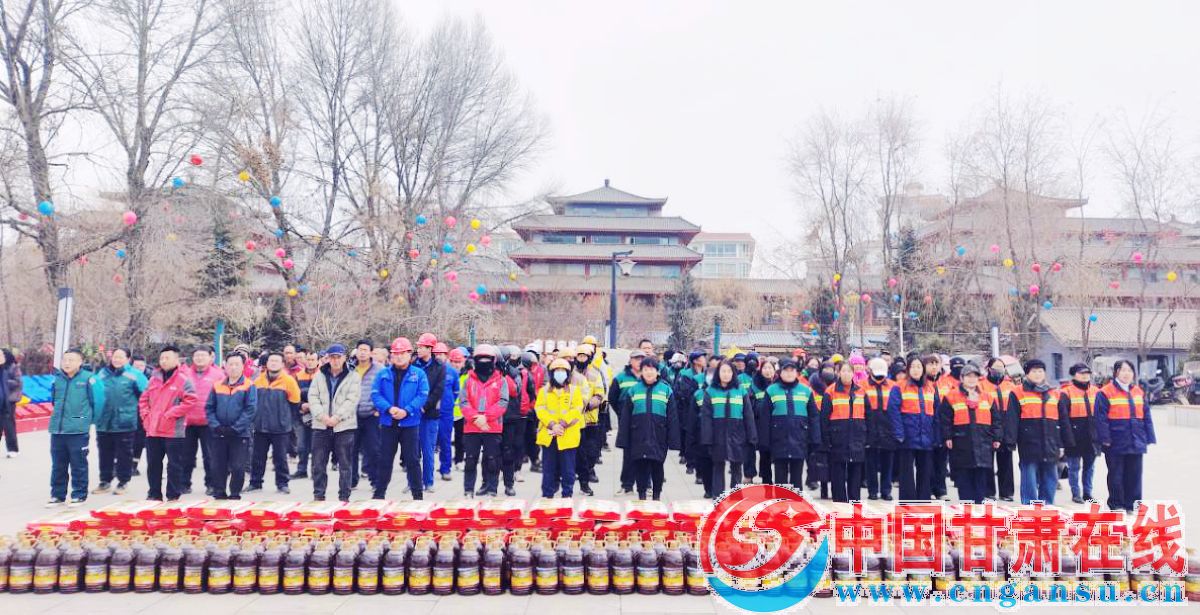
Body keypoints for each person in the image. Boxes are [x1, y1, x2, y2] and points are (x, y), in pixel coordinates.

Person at [1006, 359, 1072, 505]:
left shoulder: (1055, 393)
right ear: (1027, 374)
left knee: (1050, 477)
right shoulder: (1018, 392)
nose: (1037, 374)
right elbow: (1012, 418)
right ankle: (1030, 506)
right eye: (1034, 371)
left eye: (1040, 371)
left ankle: (1046, 505)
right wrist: (1010, 440)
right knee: (1029, 478)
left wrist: (1065, 442)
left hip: (1051, 442)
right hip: (1029, 442)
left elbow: (1063, 420)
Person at [371, 337, 429, 500]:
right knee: (385, 459)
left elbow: (422, 395)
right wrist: (388, 408)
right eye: (396, 353)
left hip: (410, 424)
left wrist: (407, 410)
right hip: (388, 423)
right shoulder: (383, 374)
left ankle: (418, 496)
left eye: (403, 353)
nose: (399, 356)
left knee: (412, 460)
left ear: (410, 354)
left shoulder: (418, 374)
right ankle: (379, 494)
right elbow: (375, 394)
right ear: (391, 355)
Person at [1095, 360, 1156, 513]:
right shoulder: (1105, 392)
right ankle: (1116, 504)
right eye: (1123, 370)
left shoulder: (1138, 391)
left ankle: (1132, 504)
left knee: (1134, 475)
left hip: (1136, 440)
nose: (1126, 374)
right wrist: (1105, 438)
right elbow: (1100, 418)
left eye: (1129, 370)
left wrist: (1149, 436)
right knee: (1116, 475)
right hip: (1115, 441)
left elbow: (1146, 415)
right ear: (1116, 373)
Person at [139, 345, 197, 502]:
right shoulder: (154, 379)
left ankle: (173, 495)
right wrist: (146, 416)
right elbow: (144, 399)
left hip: (173, 430)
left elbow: (191, 400)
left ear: (176, 360)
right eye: (162, 358)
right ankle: (154, 494)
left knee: (174, 465)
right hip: (153, 429)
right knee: (153, 464)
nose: (164, 361)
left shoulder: (183, 379)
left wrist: (171, 413)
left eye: (167, 358)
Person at [617, 356, 680, 500]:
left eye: (652, 369)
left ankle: (656, 496)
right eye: (645, 369)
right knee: (641, 467)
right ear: (641, 372)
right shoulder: (633, 390)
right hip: (638, 435)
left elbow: (673, 418)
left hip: (659, 436)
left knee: (657, 466)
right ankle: (642, 496)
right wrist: (623, 439)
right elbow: (626, 417)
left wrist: (674, 440)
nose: (649, 372)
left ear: (657, 371)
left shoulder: (666, 390)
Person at [48, 349, 105, 506]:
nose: (67, 363)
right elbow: (54, 401)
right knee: (58, 465)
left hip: (78, 430)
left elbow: (99, 402)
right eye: (65, 360)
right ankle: (57, 495)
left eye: (71, 360)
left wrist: (86, 421)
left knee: (78, 464)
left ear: (80, 362)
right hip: (57, 429)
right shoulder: (57, 379)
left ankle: (79, 495)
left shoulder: (89, 379)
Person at [939, 363, 1001, 504]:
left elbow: (996, 419)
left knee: (981, 478)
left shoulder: (987, 397)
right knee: (964, 478)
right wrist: (947, 436)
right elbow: (945, 419)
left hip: (983, 442)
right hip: (961, 442)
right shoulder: (951, 396)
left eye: (975, 376)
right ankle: (966, 509)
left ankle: (978, 507)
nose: (972, 379)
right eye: (968, 376)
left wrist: (997, 437)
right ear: (962, 378)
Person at [308, 344, 361, 502]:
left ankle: (344, 497)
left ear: (344, 358)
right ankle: (319, 496)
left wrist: (337, 417)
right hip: (321, 425)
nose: (336, 360)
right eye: (332, 357)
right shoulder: (319, 375)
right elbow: (313, 397)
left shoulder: (353, 376)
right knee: (318, 464)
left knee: (345, 464)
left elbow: (352, 400)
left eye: (339, 357)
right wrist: (322, 416)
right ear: (327, 358)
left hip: (344, 426)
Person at [758, 358, 820, 491]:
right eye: (786, 370)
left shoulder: (806, 391)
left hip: (799, 440)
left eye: (792, 370)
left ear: (797, 372)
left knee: (797, 478)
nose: (789, 373)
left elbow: (814, 417)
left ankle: (796, 502)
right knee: (780, 478)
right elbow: (764, 418)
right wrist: (764, 442)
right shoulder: (771, 390)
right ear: (780, 372)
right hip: (778, 441)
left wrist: (815, 439)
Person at [698, 359, 757, 498]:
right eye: (723, 371)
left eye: (729, 371)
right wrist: (707, 439)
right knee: (718, 466)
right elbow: (706, 418)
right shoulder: (710, 391)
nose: (726, 374)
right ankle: (718, 497)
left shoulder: (741, 391)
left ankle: (735, 497)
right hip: (717, 435)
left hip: (737, 435)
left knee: (736, 466)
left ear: (733, 373)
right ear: (718, 373)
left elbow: (748, 415)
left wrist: (752, 436)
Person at [92, 348, 147, 496]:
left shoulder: (135, 375)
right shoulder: (102, 374)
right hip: (104, 422)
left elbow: (146, 396)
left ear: (128, 359)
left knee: (124, 454)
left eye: (121, 357)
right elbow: (95, 393)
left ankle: (123, 482)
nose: (117, 360)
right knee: (105, 453)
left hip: (125, 422)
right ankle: (105, 481)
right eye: (115, 356)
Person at [459, 345, 510, 497]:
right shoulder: (468, 380)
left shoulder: (501, 380)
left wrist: (486, 417)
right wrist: (475, 417)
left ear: (493, 361)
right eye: (480, 359)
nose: (484, 362)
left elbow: (503, 402)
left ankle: (492, 488)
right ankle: (468, 490)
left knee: (492, 459)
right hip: (472, 426)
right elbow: (463, 402)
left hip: (492, 427)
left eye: (487, 359)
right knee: (470, 460)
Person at [247, 352, 301, 494]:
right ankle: (255, 483)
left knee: (280, 458)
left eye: (277, 361)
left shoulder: (289, 381)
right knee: (257, 457)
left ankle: (282, 483)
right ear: (267, 363)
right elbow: (252, 402)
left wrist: (285, 420)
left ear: (282, 364)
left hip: (280, 427)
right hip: (260, 426)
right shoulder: (258, 380)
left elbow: (295, 402)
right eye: (271, 360)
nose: (273, 363)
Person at [205, 352, 257, 500]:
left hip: (239, 434)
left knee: (238, 466)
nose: (233, 367)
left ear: (243, 366)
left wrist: (235, 428)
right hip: (218, 433)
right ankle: (219, 493)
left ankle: (235, 493)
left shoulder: (249, 385)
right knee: (218, 465)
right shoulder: (217, 385)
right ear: (225, 366)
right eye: (230, 364)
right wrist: (216, 426)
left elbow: (250, 409)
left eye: (237, 364)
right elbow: (209, 408)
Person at [535, 358, 583, 497]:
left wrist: (561, 424)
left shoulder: (574, 391)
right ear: (552, 373)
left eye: (563, 371)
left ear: (568, 374)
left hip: (568, 436)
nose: (560, 373)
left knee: (568, 470)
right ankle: (547, 495)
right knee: (548, 469)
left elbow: (577, 410)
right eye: (557, 371)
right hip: (549, 436)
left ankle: (567, 495)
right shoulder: (544, 391)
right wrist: (552, 425)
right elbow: (540, 409)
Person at [821, 360, 869, 503]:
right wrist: (826, 439)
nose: (846, 374)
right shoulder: (830, 391)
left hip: (857, 437)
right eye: (843, 371)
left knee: (856, 472)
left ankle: (854, 503)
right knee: (838, 473)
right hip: (838, 437)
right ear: (838, 373)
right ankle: (839, 503)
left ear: (854, 373)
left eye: (849, 371)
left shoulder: (861, 391)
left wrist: (867, 436)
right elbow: (824, 418)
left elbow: (869, 416)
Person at [180, 345, 224, 496]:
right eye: (197, 355)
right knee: (185, 455)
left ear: (210, 357)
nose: (199, 358)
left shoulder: (218, 375)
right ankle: (184, 484)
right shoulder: (184, 373)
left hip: (209, 422)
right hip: (187, 421)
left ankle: (211, 484)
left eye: (203, 355)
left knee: (210, 456)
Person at [892, 357, 938, 501]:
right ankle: (907, 501)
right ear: (908, 369)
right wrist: (899, 433)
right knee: (906, 471)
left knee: (925, 470)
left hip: (926, 435)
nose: (916, 370)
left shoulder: (931, 387)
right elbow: (893, 411)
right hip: (907, 435)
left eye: (919, 367)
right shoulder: (899, 386)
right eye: (913, 367)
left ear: (923, 369)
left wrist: (936, 435)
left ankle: (923, 500)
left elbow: (937, 412)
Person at [1059, 363, 1100, 503]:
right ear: (1074, 375)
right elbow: (1063, 418)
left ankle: (1087, 493)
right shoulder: (1066, 392)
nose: (1085, 376)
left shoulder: (1096, 391)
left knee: (1090, 468)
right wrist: (1067, 438)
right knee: (1074, 467)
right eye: (1081, 373)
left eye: (1087, 373)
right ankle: (1075, 493)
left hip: (1091, 436)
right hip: (1074, 436)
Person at [500, 345, 535, 497]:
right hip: (503, 415)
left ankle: (517, 470)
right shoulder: (499, 371)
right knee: (502, 446)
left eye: (514, 356)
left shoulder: (521, 373)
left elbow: (529, 391)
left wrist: (526, 407)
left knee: (518, 444)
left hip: (520, 413)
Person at [412, 333, 445, 494]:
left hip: (429, 414)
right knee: (412, 451)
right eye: (418, 347)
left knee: (427, 450)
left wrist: (424, 406)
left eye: (421, 347)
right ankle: (413, 481)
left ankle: (428, 481)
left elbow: (438, 390)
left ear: (430, 349)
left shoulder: (439, 367)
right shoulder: (413, 365)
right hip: (412, 413)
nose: (418, 349)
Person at [572, 343, 607, 496]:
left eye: (584, 356)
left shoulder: (595, 374)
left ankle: (589, 469)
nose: (582, 359)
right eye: (579, 356)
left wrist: (589, 405)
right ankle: (583, 481)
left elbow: (599, 393)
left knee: (592, 452)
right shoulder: (571, 374)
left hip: (591, 418)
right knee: (579, 454)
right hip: (575, 421)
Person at [608, 349, 644, 496]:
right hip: (628, 422)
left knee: (646, 453)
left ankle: (646, 484)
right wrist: (622, 414)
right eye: (636, 359)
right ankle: (627, 485)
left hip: (645, 422)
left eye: (642, 359)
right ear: (630, 361)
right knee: (628, 454)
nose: (639, 361)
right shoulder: (620, 378)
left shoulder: (649, 376)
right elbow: (612, 398)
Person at [981, 357, 1016, 501]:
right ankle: (988, 492)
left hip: (1006, 425)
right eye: (996, 367)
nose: (999, 370)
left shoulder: (1010, 385)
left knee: (1006, 461)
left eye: (1001, 367)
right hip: (988, 425)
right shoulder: (981, 385)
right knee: (987, 461)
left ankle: (1006, 492)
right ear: (989, 369)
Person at [863, 357, 898, 501]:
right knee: (870, 462)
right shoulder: (862, 386)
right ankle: (872, 491)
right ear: (870, 371)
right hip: (870, 427)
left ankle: (886, 490)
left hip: (888, 428)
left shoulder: (893, 386)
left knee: (887, 462)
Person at [351, 340, 382, 491]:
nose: (362, 353)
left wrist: (379, 409)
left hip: (372, 414)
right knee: (351, 449)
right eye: (360, 349)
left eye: (365, 350)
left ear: (371, 352)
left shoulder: (379, 370)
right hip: (352, 415)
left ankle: (375, 480)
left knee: (373, 449)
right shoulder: (350, 368)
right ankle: (351, 480)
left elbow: (385, 390)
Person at [747, 357, 776, 484]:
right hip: (759, 423)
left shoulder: (778, 385)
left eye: (770, 368)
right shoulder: (754, 385)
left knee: (773, 452)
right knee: (764, 451)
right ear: (761, 370)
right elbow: (750, 405)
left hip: (776, 423)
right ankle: (764, 477)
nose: (768, 371)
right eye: (765, 368)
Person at [434, 343, 460, 482]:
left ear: (446, 356)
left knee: (445, 441)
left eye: (441, 354)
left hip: (446, 412)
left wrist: (449, 403)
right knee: (427, 442)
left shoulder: (452, 372)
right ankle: (426, 471)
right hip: (430, 411)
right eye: (436, 354)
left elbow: (456, 391)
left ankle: (446, 469)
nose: (438, 356)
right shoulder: (428, 370)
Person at [292, 350, 320, 480]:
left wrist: (312, 405)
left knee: (316, 446)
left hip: (318, 415)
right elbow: (293, 394)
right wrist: (301, 405)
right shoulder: (298, 376)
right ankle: (301, 470)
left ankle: (316, 471)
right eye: (308, 360)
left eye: (313, 360)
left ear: (318, 361)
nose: (310, 362)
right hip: (301, 414)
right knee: (301, 445)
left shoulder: (322, 375)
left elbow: (324, 395)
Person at [521, 347, 546, 472]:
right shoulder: (520, 372)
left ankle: (535, 460)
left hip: (535, 406)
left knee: (532, 436)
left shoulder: (541, 370)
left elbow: (544, 385)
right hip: (522, 408)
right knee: (521, 436)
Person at [0, 348, 23, 457]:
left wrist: (5, 382)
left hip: (9, 401)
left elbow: (18, 382)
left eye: (1, 355)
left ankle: (13, 449)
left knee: (9, 426)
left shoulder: (13, 367)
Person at [448, 348, 469, 469]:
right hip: (447, 411)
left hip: (462, 412)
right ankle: (446, 462)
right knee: (445, 438)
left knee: (460, 438)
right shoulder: (445, 374)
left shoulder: (467, 376)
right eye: (454, 362)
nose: (456, 364)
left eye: (458, 362)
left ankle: (459, 460)